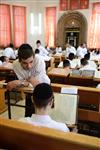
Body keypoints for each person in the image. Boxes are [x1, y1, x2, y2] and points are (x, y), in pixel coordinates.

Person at [7, 43, 50, 117]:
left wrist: (20, 82)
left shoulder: (39, 60)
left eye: (31, 62)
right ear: (19, 60)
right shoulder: (15, 65)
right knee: (29, 115)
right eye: (25, 63)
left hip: (44, 88)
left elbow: (36, 83)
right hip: (28, 91)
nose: (29, 66)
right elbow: (28, 83)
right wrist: (25, 82)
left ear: (33, 57)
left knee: (44, 117)